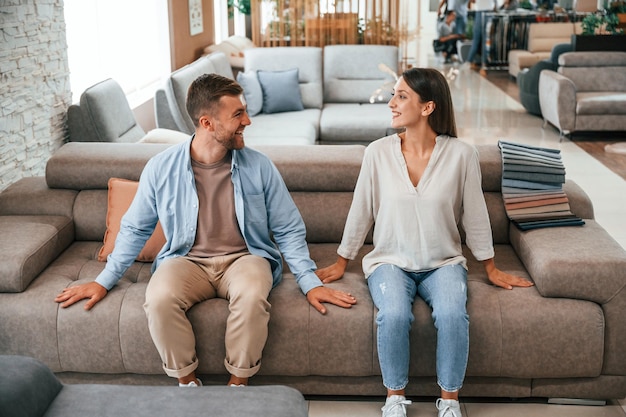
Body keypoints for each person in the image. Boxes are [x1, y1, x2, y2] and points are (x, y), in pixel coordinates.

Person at [55, 73, 357, 388]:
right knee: (158, 298)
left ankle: (237, 386)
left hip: (245, 258)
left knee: (253, 296)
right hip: (185, 260)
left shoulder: (259, 166)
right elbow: (134, 228)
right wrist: (104, 281)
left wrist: (309, 283)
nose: (248, 121)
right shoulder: (161, 168)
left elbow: (288, 229)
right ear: (207, 123)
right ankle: (187, 384)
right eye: (238, 114)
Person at [315, 68, 534, 417]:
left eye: (402, 96)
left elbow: (475, 215)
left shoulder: (462, 155)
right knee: (395, 315)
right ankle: (394, 399)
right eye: (393, 94)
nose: (392, 103)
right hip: (388, 261)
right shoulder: (377, 153)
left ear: (428, 107)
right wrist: (343, 260)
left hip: (443, 263)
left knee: (452, 315)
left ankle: (449, 403)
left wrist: (490, 267)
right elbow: (361, 211)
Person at [465, 0, 497, 70]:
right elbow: (495, 5)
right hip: (489, 13)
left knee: (476, 40)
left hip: (479, 12)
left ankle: (469, 61)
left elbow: (472, 1)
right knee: (486, 40)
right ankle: (484, 64)